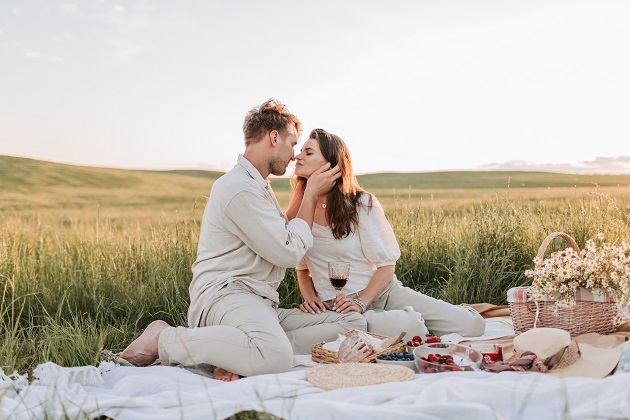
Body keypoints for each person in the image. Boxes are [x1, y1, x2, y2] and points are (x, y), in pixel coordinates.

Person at [121, 100, 367, 381]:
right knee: (275, 356)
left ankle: (232, 353)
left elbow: (278, 232)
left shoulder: (257, 185)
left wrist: (301, 193)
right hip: (226, 296)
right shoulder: (239, 188)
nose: (294, 155)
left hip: (258, 303)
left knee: (351, 321)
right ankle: (162, 339)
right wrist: (311, 195)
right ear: (274, 138)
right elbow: (287, 251)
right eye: (292, 143)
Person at [290, 128, 485, 338]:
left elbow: (386, 265)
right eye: (300, 151)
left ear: (332, 164)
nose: (298, 156)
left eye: (308, 152)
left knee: (472, 326)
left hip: (383, 293)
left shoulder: (361, 204)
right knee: (412, 329)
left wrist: (361, 302)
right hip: (337, 308)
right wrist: (310, 298)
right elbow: (302, 268)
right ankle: (398, 323)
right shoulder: (300, 213)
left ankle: (410, 318)